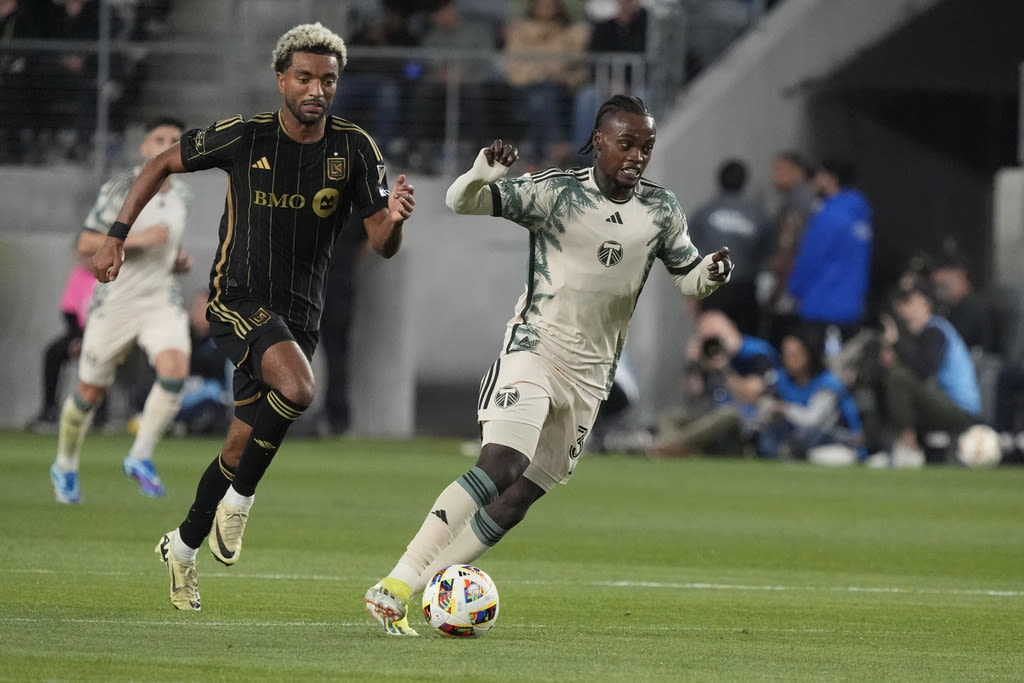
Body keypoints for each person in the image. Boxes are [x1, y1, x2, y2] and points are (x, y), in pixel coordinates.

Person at [364, 94, 733, 635]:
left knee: (519, 499)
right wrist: (480, 172)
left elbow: (688, 275)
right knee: (501, 465)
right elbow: (459, 202)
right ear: (600, 140)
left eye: (646, 146)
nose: (637, 155)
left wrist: (712, 275)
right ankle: (396, 581)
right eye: (627, 143)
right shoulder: (556, 192)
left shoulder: (661, 209)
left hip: (592, 374)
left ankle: (425, 589)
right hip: (535, 348)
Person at [88, 22, 415, 612]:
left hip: (301, 315)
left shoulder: (356, 149)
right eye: (306, 77)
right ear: (281, 78)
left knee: (240, 445)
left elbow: (380, 243)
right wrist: (116, 235)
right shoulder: (246, 136)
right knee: (299, 388)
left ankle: (182, 547)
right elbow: (161, 162)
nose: (317, 89)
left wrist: (393, 219)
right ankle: (239, 503)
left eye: (329, 80)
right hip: (237, 298)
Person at [49, 116, 193, 505]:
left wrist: (176, 259)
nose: (167, 144)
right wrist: (140, 238)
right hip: (116, 301)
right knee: (90, 391)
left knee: (175, 369)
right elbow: (83, 243)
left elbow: (167, 245)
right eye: (159, 138)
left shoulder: (181, 193)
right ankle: (65, 463)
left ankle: (140, 456)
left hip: (160, 299)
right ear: (144, 148)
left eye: (175, 140)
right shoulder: (120, 188)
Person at [873, 278, 982, 467]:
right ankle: (884, 446)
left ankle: (909, 448)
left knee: (899, 377)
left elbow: (924, 370)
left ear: (924, 303)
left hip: (959, 408)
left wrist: (896, 344)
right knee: (889, 380)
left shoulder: (936, 330)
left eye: (908, 300)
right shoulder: (913, 335)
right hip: (936, 401)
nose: (901, 305)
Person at [654, 310, 777, 457]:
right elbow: (692, 394)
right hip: (710, 421)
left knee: (729, 413)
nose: (713, 343)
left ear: (732, 329)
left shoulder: (755, 353)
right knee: (670, 415)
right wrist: (692, 365)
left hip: (745, 425)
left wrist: (725, 369)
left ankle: (670, 445)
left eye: (717, 336)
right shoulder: (707, 356)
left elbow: (752, 396)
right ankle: (678, 447)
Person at [787, 158, 872, 341]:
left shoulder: (829, 215)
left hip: (822, 307)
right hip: (851, 306)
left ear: (830, 179)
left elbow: (810, 258)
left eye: (818, 175)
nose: (814, 181)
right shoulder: (860, 217)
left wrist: (794, 289)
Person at [753, 325, 866, 463]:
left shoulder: (828, 383)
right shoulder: (777, 378)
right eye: (785, 354)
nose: (788, 360)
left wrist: (785, 409)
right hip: (791, 435)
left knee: (809, 435)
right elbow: (762, 407)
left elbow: (811, 421)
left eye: (795, 355)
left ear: (809, 355)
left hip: (832, 437)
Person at [687, 158, 771, 335]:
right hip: (745, 288)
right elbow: (768, 254)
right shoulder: (757, 215)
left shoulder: (705, 213)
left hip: (713, 287)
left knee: (713, 341)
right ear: (744, 181)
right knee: (745, 339)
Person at [503, 0, 590, 169]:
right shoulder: (519, 32)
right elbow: (514, 65)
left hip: (563, 88)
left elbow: (569, 62)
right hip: (525, 88)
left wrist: (543, 66)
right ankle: (557, 148)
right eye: (541, 4)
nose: (545, 8)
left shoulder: (570, 31)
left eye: (549, 4)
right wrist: (542, 70)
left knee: (543, 97)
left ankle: (536, 159)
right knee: (540, 98)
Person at [28, 257, 97, 432]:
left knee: (100, 355)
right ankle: (49, 409)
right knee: (53, 352)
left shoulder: (112, 274)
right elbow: (69, 311)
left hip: (103, 334)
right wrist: (77, 339)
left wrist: (89, 340)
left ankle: (100, 416)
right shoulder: (79, 275)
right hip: (78, 334)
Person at [758, 150, 816, 346]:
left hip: (790, 288)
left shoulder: (799, 202)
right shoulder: (803, 199)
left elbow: (789, 249)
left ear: (796, 172)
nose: (774, 177)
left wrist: (775, 293)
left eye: (779, 170)